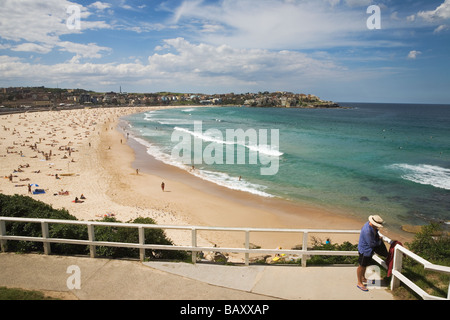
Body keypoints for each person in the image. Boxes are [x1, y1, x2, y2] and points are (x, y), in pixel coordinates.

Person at [356, 215, 388, 292]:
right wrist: (379, 241)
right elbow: (371, 244)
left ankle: (363, 278)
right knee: (361, 266)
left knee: (364, 265)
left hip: (367, 250)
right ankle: (359, 283)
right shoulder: (368, 231)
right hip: (365, 251)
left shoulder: (370, 225)